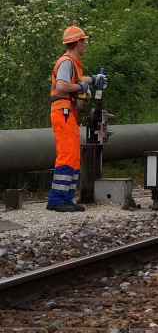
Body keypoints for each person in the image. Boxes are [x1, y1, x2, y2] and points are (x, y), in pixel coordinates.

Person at [47, 25, 93, 213]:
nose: (85, 46)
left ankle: (66, 198)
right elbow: (62, 85)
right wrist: (81, 87)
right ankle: (56, 200)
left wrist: (92, 79)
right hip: (63, 111)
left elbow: (77, 81)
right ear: (78, 43)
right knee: (67, 154)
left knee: (73, 155)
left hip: (68, 113)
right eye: (84, 42)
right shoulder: (66, 62)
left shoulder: (71, 62)